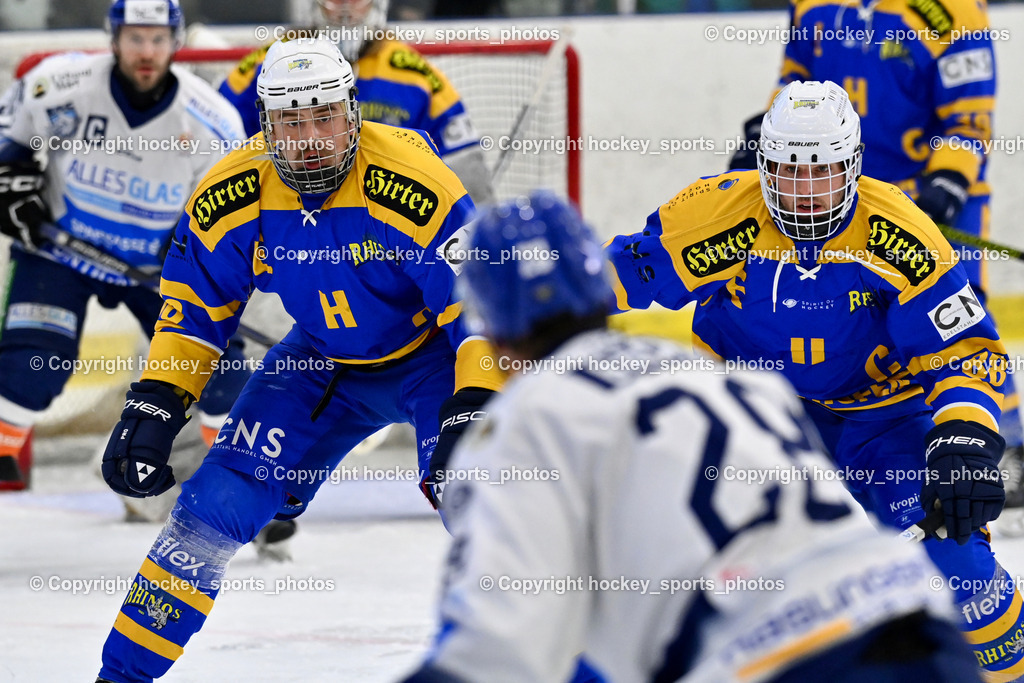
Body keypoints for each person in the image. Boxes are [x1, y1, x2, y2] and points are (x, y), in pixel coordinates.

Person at [402, 190, 982, 683]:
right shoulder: (732, 380)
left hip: (785, 661)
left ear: (489, 327)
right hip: (914, 619)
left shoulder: (531, 418)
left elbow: (494, 647)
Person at [93, 36, 501, 683]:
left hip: (436, 360)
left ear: (353, 112)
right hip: (319, 362)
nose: (310, 139)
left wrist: (475, 403)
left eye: (325, 117)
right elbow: (195, 308)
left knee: (481, 497)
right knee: (211, 507)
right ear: (265, 123)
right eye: (291, 121)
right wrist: (157, 402)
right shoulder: (233, 187)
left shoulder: (414, 181)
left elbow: (480, 308)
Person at [607, 79, 1024, 680]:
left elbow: (963, 350)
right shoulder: (714, 217)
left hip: (884, 419)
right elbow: (604, 281)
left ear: (853, 165)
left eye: (822, 172)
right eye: (789, 172)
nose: (805, 192)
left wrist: (964, 440)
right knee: (698, 582)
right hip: (758, 425)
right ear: (763, 165)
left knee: (960, 571)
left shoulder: (898, 231)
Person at [727, 0, 1024, 531]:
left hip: (924, 199)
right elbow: (794, 81)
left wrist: (949, 180)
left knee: (958, 315)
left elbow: (969, 116)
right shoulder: (812, 5)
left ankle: (1004, 444)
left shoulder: (952, 11)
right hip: (833, 200)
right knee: (848, 316)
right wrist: (767, 141)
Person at [0, 0, 250, 491]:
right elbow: (11, 141)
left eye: (158, 39)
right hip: (60, 253)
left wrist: (191, 251)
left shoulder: (212, 121)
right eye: (135, 38)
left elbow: (229, 217)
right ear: (113, 38)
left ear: (176, 42)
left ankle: (240, 480)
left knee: (216, 371)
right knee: (30, 370)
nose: (146, 52)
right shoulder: (59, 85)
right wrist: (11, 183)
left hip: (156, 268)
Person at [218, 0, 495, 205]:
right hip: (287, 216)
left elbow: (465, 170)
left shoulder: (415, 75)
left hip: (388, 228)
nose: (345, 7)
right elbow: (218, 142)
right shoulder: (269, 65)